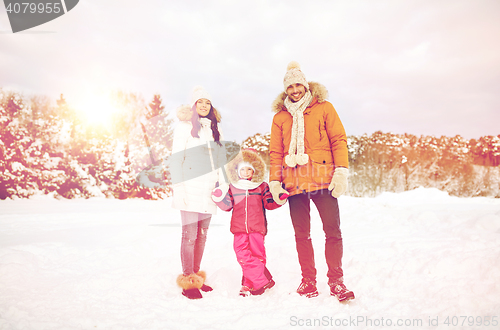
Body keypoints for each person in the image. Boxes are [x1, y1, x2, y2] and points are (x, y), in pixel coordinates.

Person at [268, 61, 355, 302]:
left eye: (298, 85)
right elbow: (275, 152)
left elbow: (338, 139)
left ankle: (337, 281)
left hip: (322, 181)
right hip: (294, 183)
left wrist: (341, 172)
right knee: (301, 235)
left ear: (305, 86)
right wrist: (275, 182)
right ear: (286, 90)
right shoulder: (280, 118)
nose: (295, 90)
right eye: (290, 86)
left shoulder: (324, 108)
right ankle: (308, 281)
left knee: (333, 231)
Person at [171, 86, 225, 300]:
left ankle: (196, 276)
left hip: (209, 191)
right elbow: (176, 160)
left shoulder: (214, 130)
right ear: (194, 105)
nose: (204, 105)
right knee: (190, 236)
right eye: (200, 102)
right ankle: (188, 280)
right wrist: (179, 189)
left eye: (207, 102)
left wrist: (222, 184)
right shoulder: (184, 127)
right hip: (189, 189)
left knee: (202, 237)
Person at [211, 149, 285, 297]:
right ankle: (263, 280)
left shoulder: (261, 186)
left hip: (257, 228)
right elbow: (227, 206)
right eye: (242, 169)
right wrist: (218, 197)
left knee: (257, 255)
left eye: (249, 169)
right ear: (237, 170)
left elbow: (269, 203)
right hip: (239, 228)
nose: (245, 172)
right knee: (242, 255)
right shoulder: (233, 186)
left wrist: (279, 198)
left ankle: (247, 285)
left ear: (255, 171)